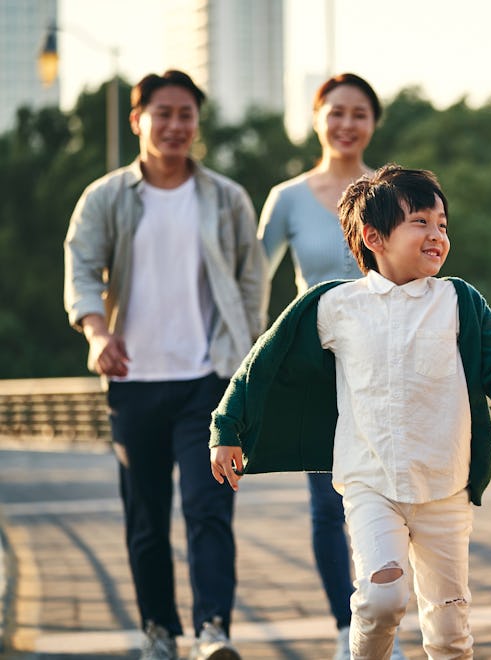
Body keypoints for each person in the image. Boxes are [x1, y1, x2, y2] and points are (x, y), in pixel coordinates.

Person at [210, 165, 491, 660]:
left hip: (445, 487)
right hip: (370, 484)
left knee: (450, 630)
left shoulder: (460, 301)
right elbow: (264, 362)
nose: (437, 235)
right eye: (421, 222)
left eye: (442, 224)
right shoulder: (335, 306)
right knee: (380, 599)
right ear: (374, 237)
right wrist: (227, 427)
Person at [64, 70, 268, 660]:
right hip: (133, 380)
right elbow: (81, 267)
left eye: (187, 115)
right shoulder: (105, 197)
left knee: (209, 510)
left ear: (196, 124)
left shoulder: (226, 197)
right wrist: (97, 331)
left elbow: (252, 278)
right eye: (164, 113)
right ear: (139, 120)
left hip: (208, 380)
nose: (176, 125)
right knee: (147, 517)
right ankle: (159, 631)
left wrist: (245, 356)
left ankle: (212, 632)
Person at [257, 72, 394, 659]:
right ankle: (349, 629)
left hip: (390, 363)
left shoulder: (394, 192)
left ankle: (385, 624)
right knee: (325, 505)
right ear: (317, 118)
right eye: (335, 111)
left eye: (359, 113)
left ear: (373, 123)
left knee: (392, 498)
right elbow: (250, 281)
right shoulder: (287, 198)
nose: (346, 123)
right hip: (317, 370)